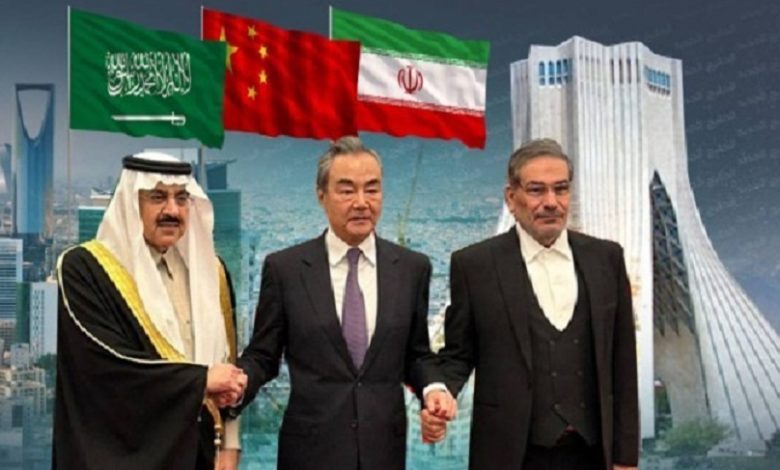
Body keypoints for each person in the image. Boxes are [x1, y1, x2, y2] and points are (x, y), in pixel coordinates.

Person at [421, 138, 639, 470]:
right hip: (511, 455)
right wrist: (439, 395)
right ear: (511, 198)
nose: (551, 202)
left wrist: (625, 458)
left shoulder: (606, 259)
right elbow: (458, 356)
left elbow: (623, 365)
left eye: (561, 189)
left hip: (594, 456)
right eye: (537, 190)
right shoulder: (475, 266)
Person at [235, 136, 435, 470]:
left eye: (372, 189)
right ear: (321, 195)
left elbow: (417, 355)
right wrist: (239, 382)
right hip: (309, 453)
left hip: (383, 453)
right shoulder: (286, 269)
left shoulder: (412, 268)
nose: (361, 202)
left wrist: (434, 389)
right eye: (346, 190)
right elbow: (263, 355)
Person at [54, 152, 247, 469]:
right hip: (118, 452)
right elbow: (106, 367)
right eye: (158, 197)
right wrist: (200, 381)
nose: (172, 210)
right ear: (132, 204)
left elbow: (227, 363)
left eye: (181, 198)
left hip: (197, 455)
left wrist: (230, 442)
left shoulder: (211, 272)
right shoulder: (85, 269)